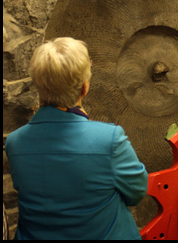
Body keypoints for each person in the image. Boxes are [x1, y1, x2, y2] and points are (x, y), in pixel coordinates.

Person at [5, 37, 148, 240]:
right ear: (84, 88)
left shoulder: (14, 143)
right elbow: (136, 193)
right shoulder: (110, 139)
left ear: (39, 86)